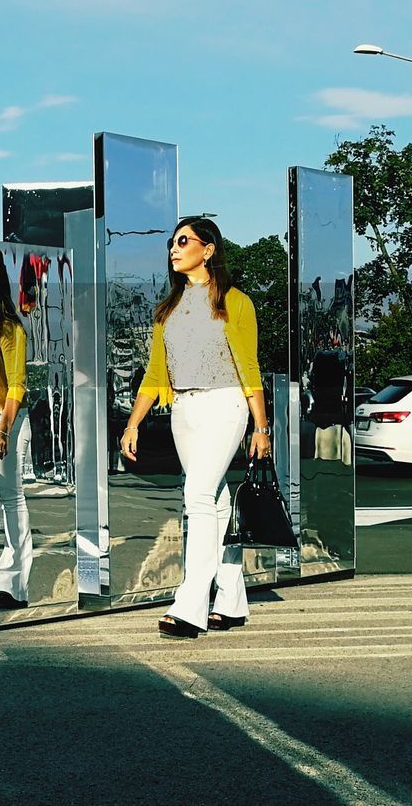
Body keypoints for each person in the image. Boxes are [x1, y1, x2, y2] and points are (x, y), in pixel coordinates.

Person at [120, 217, 271, 639]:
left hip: (226, 405)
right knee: (216, 501)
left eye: (184, 241)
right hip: (183, 409)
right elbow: (154, 373)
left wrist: (261, 426)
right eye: (172, 241)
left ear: (208, 250)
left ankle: (190, 605)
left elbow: (249, 365)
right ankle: (231, 600)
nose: (174, 247)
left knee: (197, 495)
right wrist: (133, 423)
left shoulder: (235, 302)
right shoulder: (166, 310)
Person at [0, 256, 33, 610]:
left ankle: (15, 583)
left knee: (12, 499)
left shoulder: (11, 327)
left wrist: (3, 427)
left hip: (8, 418)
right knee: (3, 499)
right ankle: (5, 577)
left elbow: (17, 384)